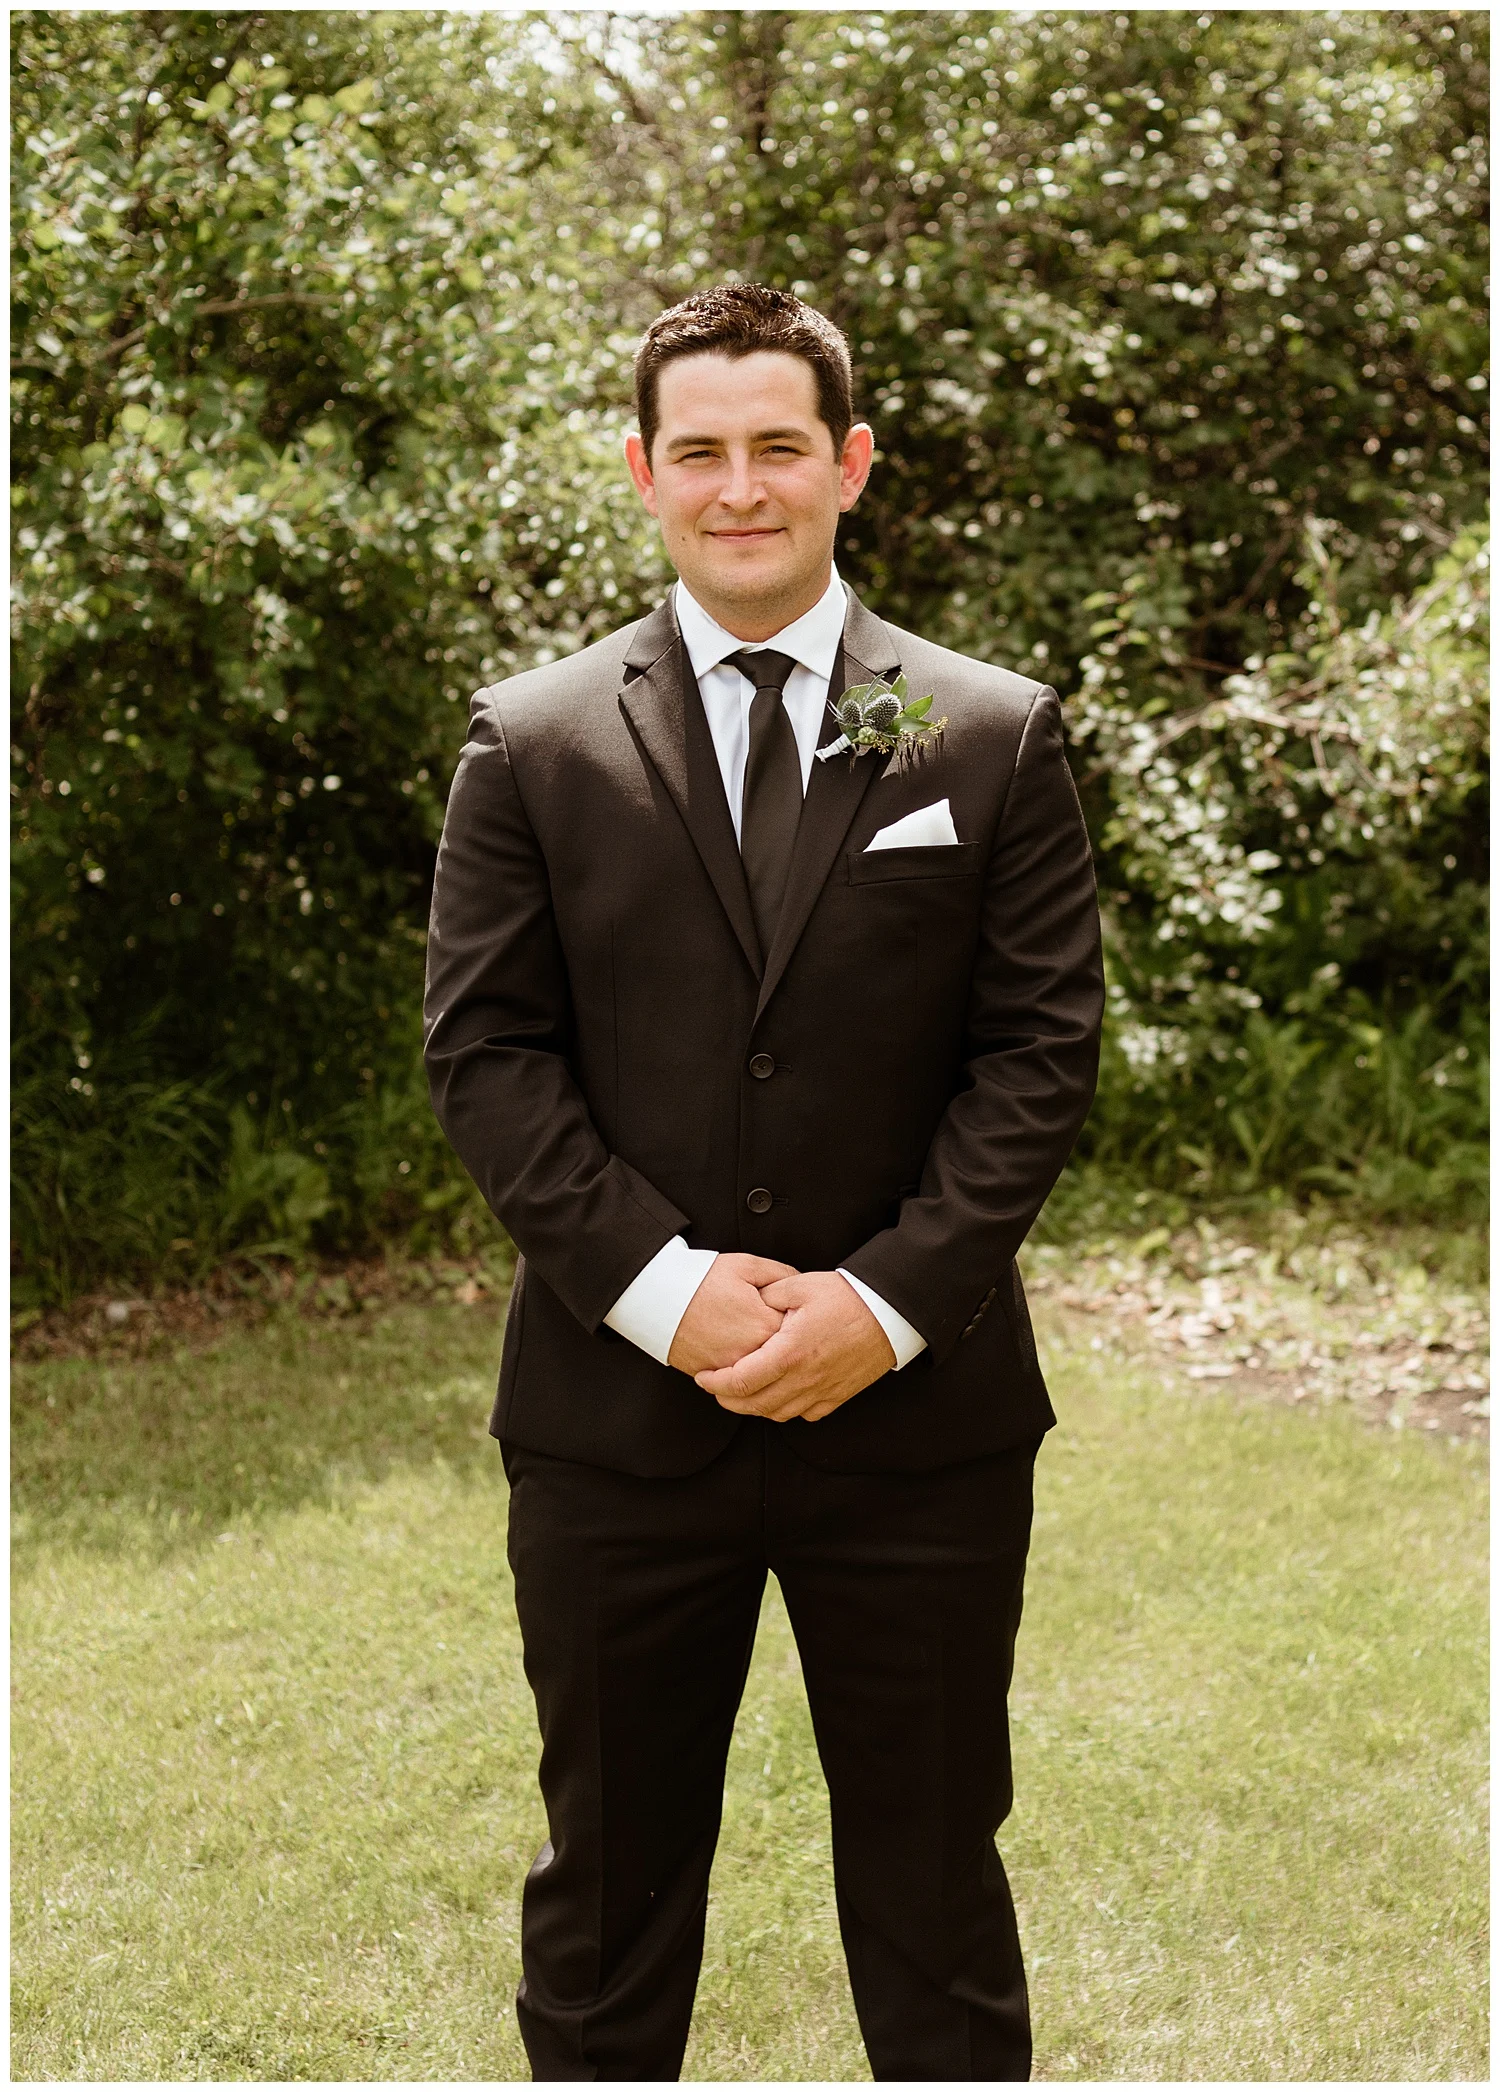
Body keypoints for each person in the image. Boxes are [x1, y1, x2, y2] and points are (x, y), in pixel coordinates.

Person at [423, 282, 1103, 2082]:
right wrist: (669, 1295)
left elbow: (1038, 1059)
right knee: (607, 1905)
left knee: (937, 1898)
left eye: (780, 446)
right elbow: (487, 1058)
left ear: (849, 463)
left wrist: (881, 1309)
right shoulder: (535, 739)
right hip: (616, 1423)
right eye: (702, 451)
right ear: (643, 471)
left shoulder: (985, 731)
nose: (743, 487)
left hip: (922, 1424)